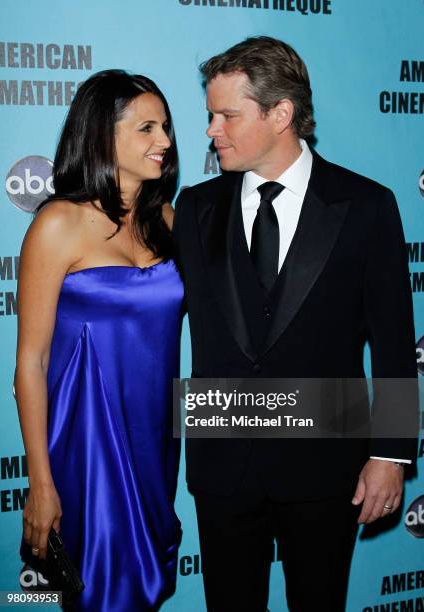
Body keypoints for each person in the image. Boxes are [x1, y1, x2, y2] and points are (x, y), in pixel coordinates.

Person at [173, 37, 418, 611]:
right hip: (222, 463)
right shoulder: (194, 208)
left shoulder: (365, 205)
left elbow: (394, 341)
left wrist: (391, 454)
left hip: (326, 464)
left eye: (227, 115)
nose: (212, 129)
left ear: (280, 114)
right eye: (211, 114)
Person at [15, 69, 184, 611]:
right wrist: (40, 481)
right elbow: (31, 363)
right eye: (146, 128)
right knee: (102, 588)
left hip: (155, 439)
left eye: (166, 128)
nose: (165, 141)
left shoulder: (167, 219)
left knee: (147, 583)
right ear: (100, 136)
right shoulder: (58, 225)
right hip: (88, 443)